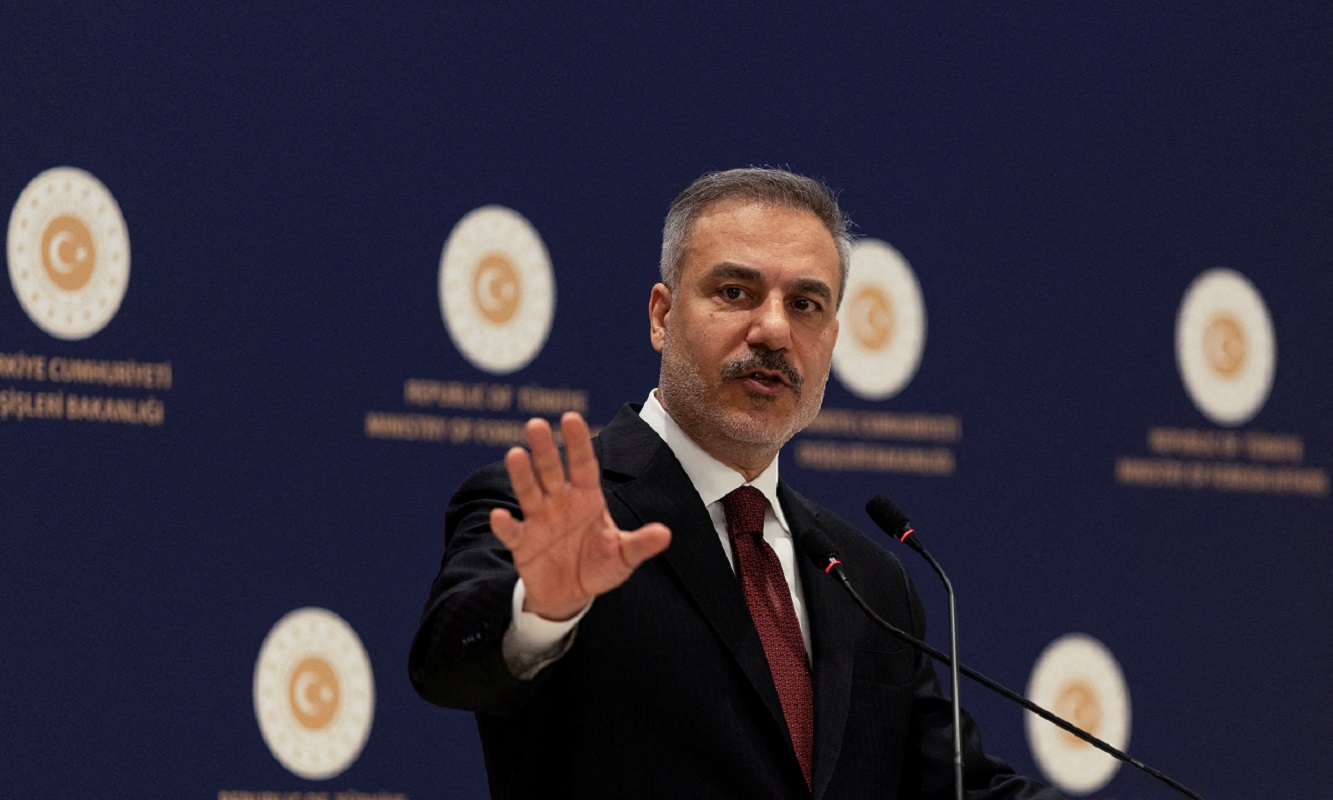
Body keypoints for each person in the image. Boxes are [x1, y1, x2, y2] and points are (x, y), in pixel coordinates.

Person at [410, 167, 1061, 799]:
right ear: (662, 315)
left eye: (804, 305)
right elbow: (450, 668)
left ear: (832, 339)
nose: (774, 329)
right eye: (735, 292)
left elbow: (955, 785)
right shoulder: (555, 511)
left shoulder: (869, 581)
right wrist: (540, 610)